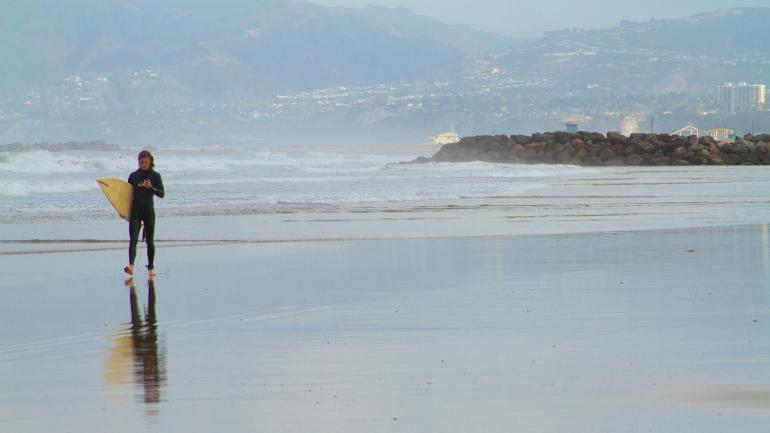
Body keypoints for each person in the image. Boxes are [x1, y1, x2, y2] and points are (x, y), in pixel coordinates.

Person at [125, 150, 164, 276]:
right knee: (133, 239)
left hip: (148, 212)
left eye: (145, 162)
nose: (143, 164)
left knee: (149, 241)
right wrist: (123, 211)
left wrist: (151, 187)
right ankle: (131, 266)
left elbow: (162, 194)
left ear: (150, 161)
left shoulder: (155, 176)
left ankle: (151, 269)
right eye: (141, 162)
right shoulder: (133, 176)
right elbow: (126, 196)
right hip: (135, 211)